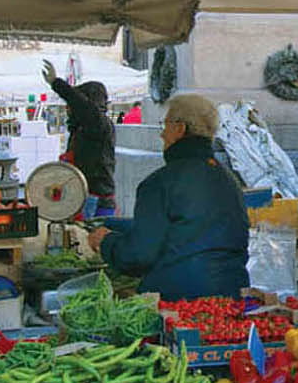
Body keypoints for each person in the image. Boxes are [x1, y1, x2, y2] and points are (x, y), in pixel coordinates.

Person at [88, 94, 249, 300]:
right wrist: (114, 225)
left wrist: (106, 241)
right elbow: (187, 228)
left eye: (165, 125)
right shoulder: (228, 179)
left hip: (178, 301)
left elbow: (138, 256)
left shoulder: (159, 183)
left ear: (180, 129)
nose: (162, 134)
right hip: (231, 296)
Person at [43, 61, 117, 213]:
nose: (68, 109)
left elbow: (84, 107)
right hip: (81, 195)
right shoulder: (81, 129)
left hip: (95, 199)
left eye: (71, 105)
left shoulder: (99, 124)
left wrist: (57, 84)